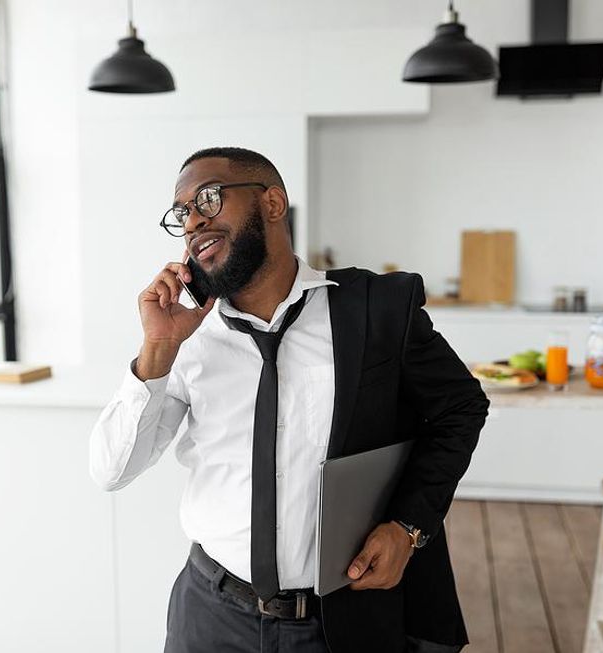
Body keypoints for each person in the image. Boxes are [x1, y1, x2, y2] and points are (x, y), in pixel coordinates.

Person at [89, 146, 490, 653]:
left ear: (272, 203)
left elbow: (460, 408)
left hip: (339, 620)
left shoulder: (376, 309)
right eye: (182, 213)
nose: (192, 222)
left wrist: (408, 526)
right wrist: (157, 350)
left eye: (208, 199)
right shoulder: (184, 339)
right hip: (211, 617)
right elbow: (111, 471)